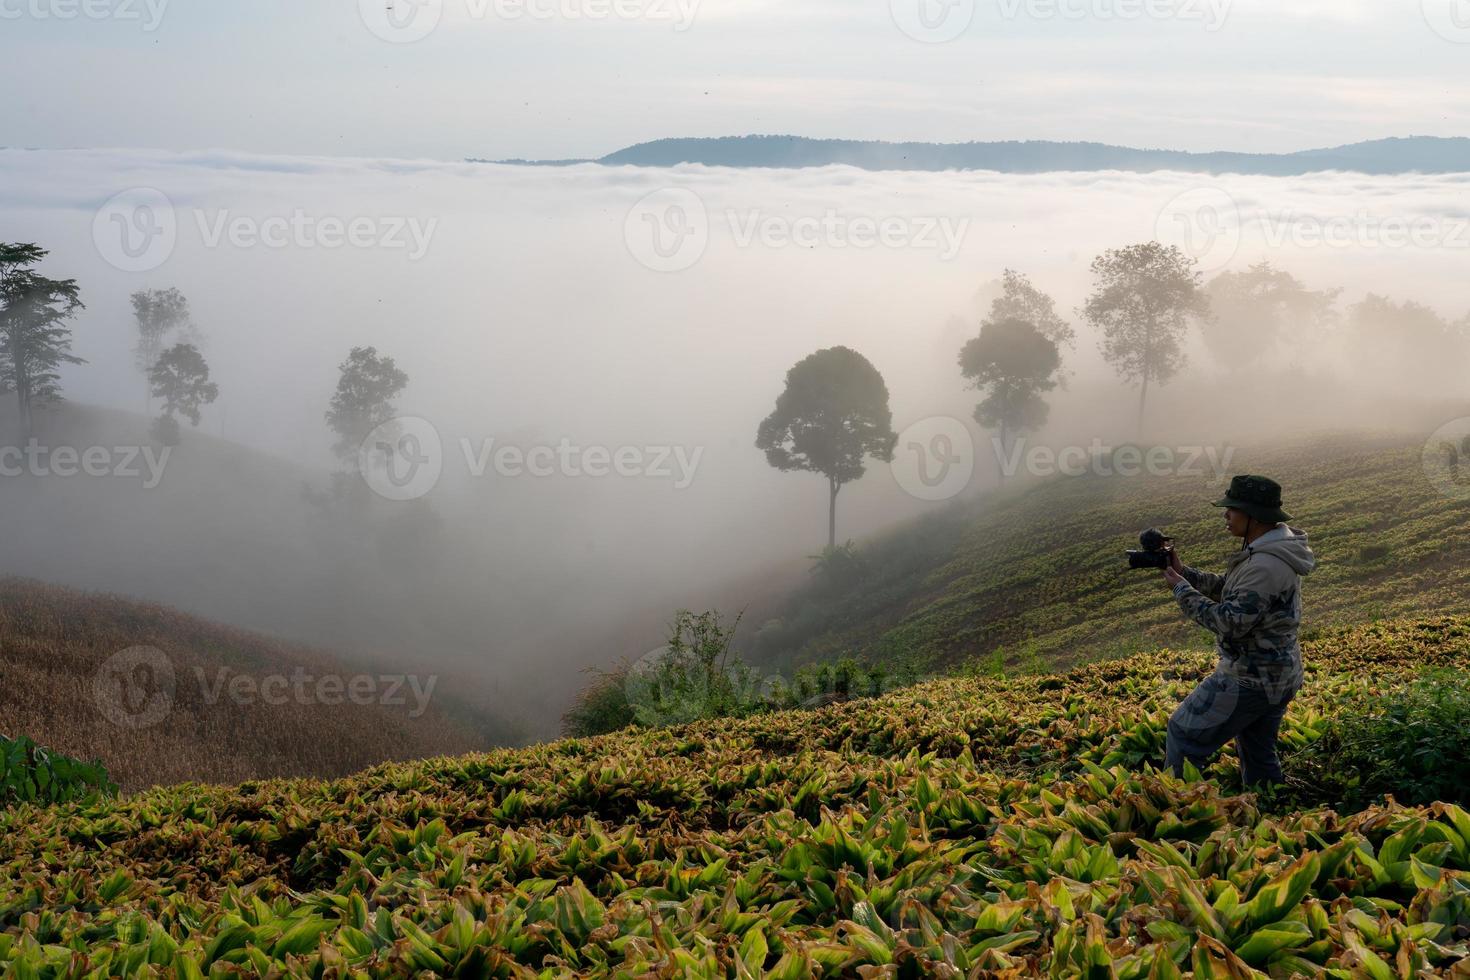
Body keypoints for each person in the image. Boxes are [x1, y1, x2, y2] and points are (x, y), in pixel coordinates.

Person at [1161, 475, 1317, 786]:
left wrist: (1182, 590)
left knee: (1183, 732)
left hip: (1249, 678)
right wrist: (1185, 573)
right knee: (1258, 751)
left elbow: (1229, 622)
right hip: (1277, 674)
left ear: (1253, 516)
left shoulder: (1264, 565)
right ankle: (1271, 810)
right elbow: (1235, 594)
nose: (1226, 515)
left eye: (1232, 509)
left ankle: (1175, 807)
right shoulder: (1271, 551)